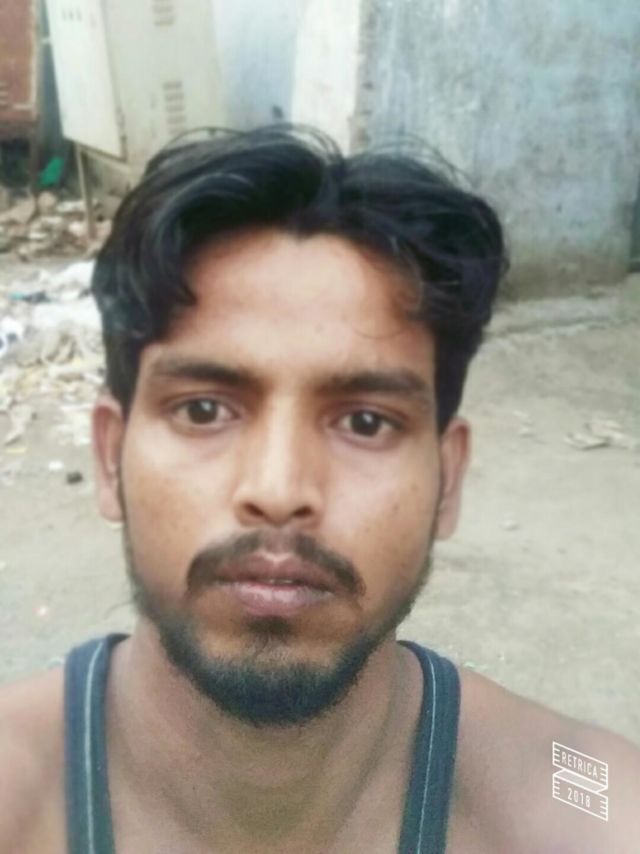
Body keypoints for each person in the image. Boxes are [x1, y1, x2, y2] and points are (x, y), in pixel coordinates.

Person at [1, 126, 638, 854]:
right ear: (110, 459)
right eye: (203, 410)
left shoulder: (589, 803)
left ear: (448, 480)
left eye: (366, 422)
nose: (278, 491)